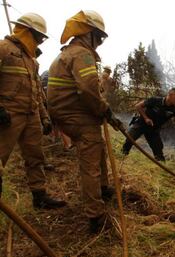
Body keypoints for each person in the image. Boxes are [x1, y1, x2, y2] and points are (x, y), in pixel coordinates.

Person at [47, 10, 122, 233]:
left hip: (72, 113)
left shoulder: (71, 52)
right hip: (77, 115)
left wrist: (102, 112)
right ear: (88, 34)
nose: (99, 43)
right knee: (90, 163)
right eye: (98, 37)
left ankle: (103, 188)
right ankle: (95, 215)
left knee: (98, 149)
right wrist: (104, 110)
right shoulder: (82, 54)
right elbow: (89, 90)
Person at [0, 13, 66, 209]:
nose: (39, 41)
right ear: (26, 31)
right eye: (38, 36)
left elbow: (37, 90)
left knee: (35, 156)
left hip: (31, 115)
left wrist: (44, 117)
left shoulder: (31, 60)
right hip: (7, 115)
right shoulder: (3, 49)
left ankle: (39, 196)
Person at [121, 88, 175, 161]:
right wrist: (146, 118)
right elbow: (138, 106)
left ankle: (161, 167)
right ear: (170, 94)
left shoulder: (174, 109)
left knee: (159, 151)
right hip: (141, 124)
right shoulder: (155, 100)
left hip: (153, 130)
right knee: (129, 140)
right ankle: (122, 156)